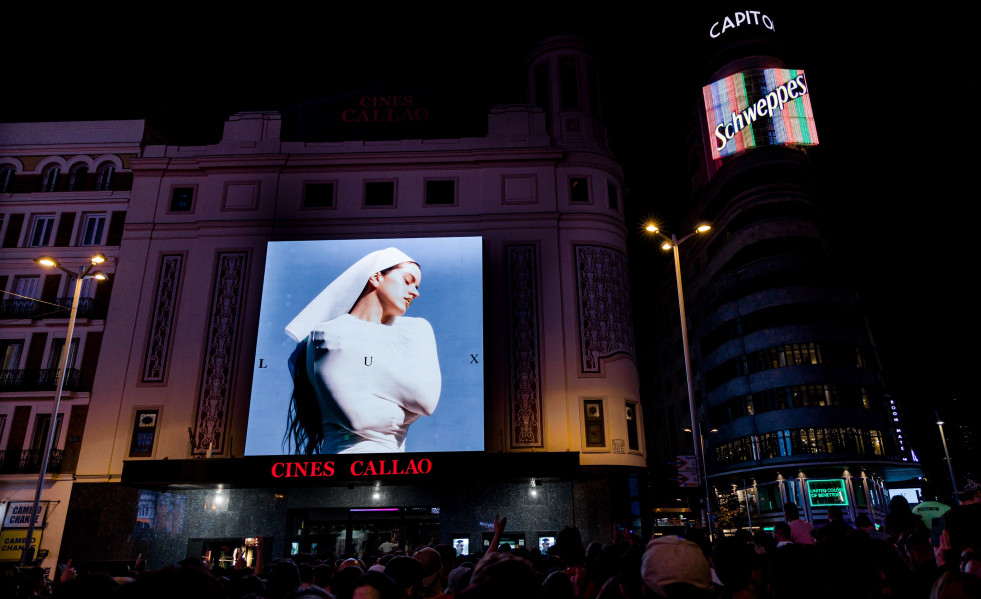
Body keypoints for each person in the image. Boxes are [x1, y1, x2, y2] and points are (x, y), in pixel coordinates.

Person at [285, 247, 441, 454]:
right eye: (407, 280)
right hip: (339, 469)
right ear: (376, 278)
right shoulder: (328, 333)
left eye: (417, 285)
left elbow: (425, 400)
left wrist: (363, 374)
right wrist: (404, 402)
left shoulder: (417, 328)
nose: (416, 292)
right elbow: (358, 419)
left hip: (398, 471)